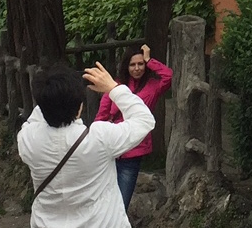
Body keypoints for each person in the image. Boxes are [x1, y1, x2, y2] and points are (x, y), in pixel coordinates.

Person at [18, 62, 154, 228]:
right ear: (80, 107)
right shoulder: (99, 139)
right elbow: (144, 120)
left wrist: (51, 94)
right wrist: (113, 88)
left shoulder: (28, 139)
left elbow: (38, 116)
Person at [94, 43, 173, 210]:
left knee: (121, 204)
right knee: (103, 201)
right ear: (126, 66)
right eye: (132, 64)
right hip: (112, 149)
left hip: (133, 151)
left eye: (140, 64)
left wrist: (149, 59)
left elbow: (168, 76)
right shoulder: (115, 85)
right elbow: (101, 116)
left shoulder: (153, 86)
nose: (137, 68)